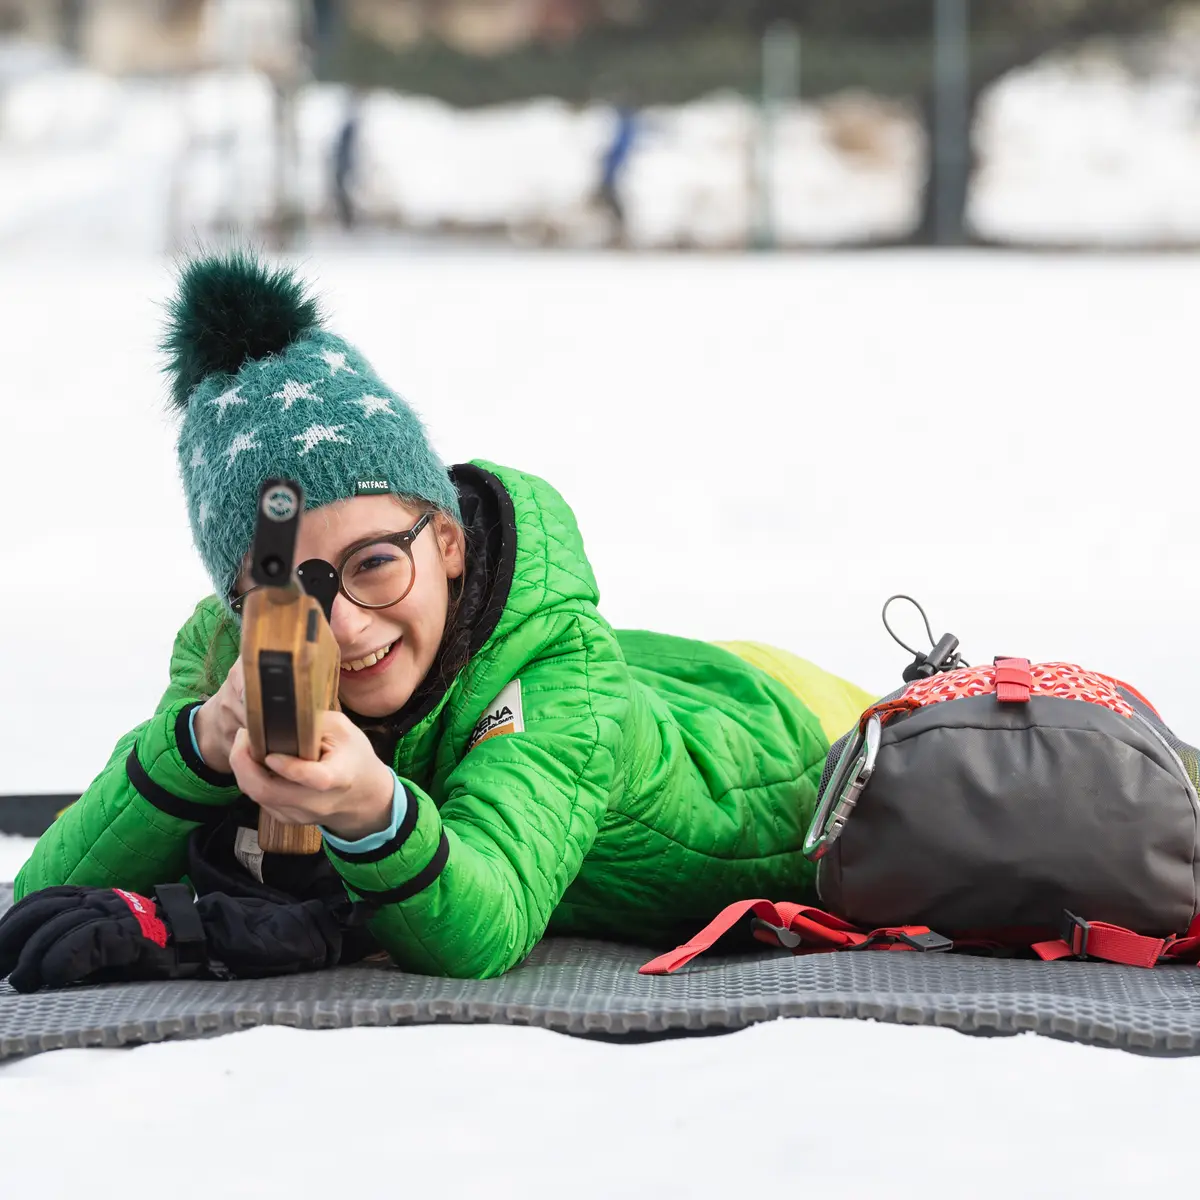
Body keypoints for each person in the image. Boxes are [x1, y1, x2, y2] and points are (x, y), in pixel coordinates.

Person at [4, 249, 873, 986]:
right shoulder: (231, 649)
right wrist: (198, 740)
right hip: (652, 678)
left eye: (374, 563)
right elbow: (42, 893)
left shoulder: (561, 674)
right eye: (290, 595)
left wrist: (368, 809)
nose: (340, 626)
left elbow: (485, 927)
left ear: (448, 541)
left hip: (784, 723)